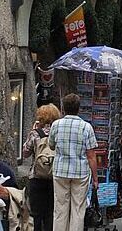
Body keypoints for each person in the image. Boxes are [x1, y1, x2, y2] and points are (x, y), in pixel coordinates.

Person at [47, 94, 98, 231]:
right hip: (80, 172)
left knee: (60, 208)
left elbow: (51, 145)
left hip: (60, 171)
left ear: (63, 108)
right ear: (78, 109)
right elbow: (91, 155)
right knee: (78, 208)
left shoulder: (56, 125)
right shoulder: (86, 127)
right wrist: (95, 178)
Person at [22, 104, 62, 231]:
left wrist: (32, 131)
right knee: (50, 211)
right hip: (54, 175)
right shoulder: (58, 133)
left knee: (37, 212)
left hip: (37, 176)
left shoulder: (35, 134)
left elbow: (25, 153)